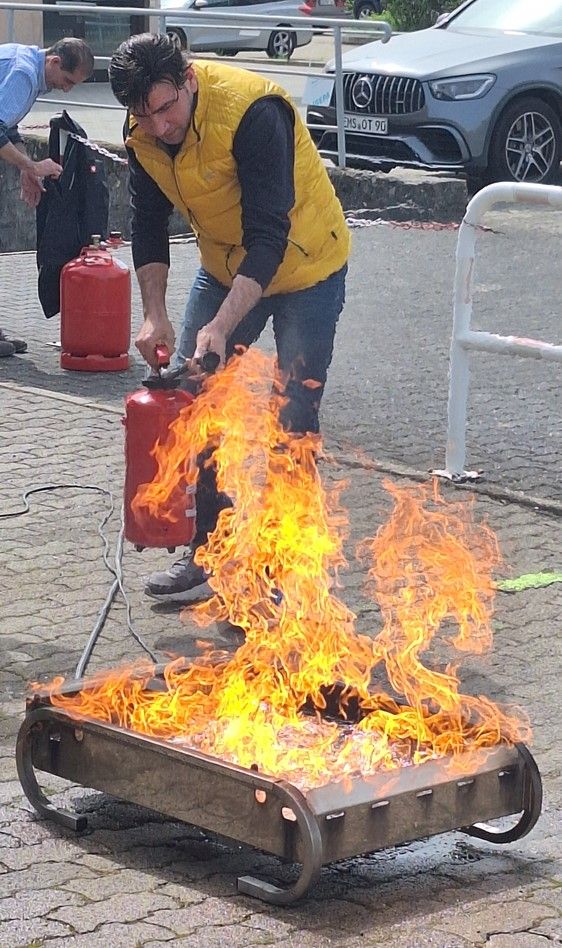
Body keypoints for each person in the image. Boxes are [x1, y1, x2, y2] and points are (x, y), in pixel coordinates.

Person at [109, 32, 350, 603]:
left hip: (305, 264)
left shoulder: (254, 113)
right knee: (195, 400)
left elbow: (269, 237)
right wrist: (155, 316)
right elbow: (147, 225)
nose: (160, 125)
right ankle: (209, 553)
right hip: (224, 263)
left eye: (167, 108)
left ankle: (282, 566)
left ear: (189, 78)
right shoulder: (142, 133)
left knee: (292, 417)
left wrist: (219, 325)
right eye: (144, 116)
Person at [0, 37, 94, 357]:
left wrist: (26, 170)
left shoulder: (25, 62)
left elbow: (7, 126)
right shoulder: (25, 74)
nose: (68, 90)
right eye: (68, 81)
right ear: (54, 62)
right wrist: (32, 165)